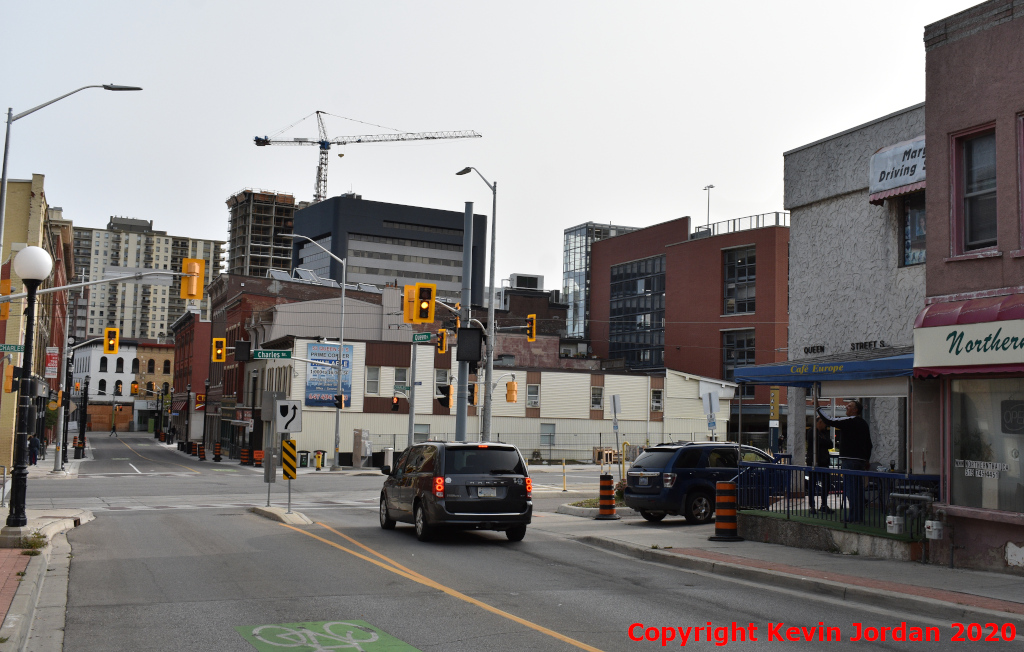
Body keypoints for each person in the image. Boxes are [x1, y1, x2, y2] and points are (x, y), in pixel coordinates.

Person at [817, 400, 872, 522]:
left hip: (849, 460)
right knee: (858, 490)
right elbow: (869, 444)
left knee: (850, 489)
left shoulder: (849, 421)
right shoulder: (864, 423)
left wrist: (819, 409)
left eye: (850, 405)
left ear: (855, 410)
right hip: (860, 461)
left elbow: (830, 420)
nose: (846, 406)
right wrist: (866, 459)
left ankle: (853, 518)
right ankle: (859, 516)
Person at [805, 417, 833, 514]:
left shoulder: (824, 433)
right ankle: (812, 506)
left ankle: (824, 504)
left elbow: (830, 444)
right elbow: (818, 442)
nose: (825, 426)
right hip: (814, 461)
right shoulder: (811, 432)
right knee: (812, 484)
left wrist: (824, 441)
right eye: (825, 424)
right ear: (820, 422)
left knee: (827, 484)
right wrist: (824, 441)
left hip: (824, 462)